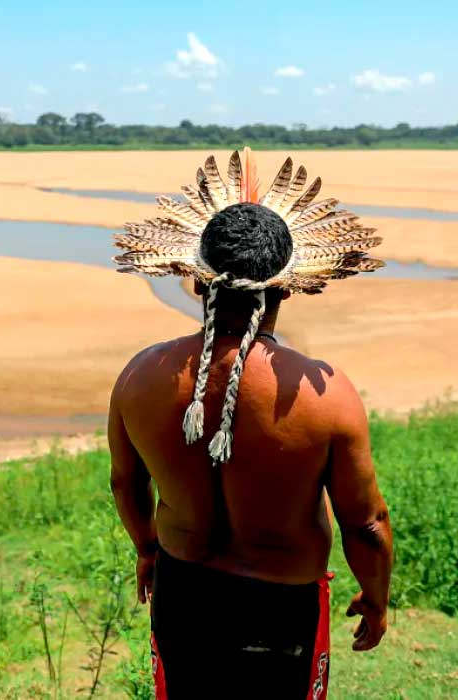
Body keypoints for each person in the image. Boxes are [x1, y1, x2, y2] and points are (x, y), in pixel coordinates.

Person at [108, 149, 393, 699]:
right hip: (281, 607)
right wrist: (375, 598)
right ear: (288, 287)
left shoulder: (141, 376)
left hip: (182, 589)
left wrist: (147, 549)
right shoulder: (326, 395)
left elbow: (126, 483)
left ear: (196, 283)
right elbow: (368, 524)